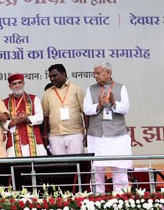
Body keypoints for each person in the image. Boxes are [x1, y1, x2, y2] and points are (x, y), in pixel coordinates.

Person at [83, 61, 132, 193]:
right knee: (97, 169)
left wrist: (114, 103)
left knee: (119, 168)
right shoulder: (91, 89)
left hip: (117, 135)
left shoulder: (121, 88)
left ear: (108, 73)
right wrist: (98, 106)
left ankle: (120, 197)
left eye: (98, 73)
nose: (96, 76)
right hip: (97, 135)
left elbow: (125, 107)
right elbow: (86, 109)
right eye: (95, 74)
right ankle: (97, 197)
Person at [41, 64, 88, 155]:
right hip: (55, 135)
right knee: (60, 164)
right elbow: (45, 116)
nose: (52, 79)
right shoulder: (48, 93)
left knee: (76, 162)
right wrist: (45, 136)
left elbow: (85, 112)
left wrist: (87, 132)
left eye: (54, 76)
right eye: (50, 77)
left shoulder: (76, 89)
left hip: (75, 133)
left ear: (64, 74)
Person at [3, 73, 46, 157]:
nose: (17, 85)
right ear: (10, 86)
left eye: (19, 83)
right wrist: (13, 122)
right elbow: (2, 123)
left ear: (23, 84)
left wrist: (26, 118)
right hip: (14, 142)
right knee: (16, 168)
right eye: (14, 84)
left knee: (37, 167)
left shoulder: (34, 98)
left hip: (34, 140)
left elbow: (40, 117)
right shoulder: (5, 102)